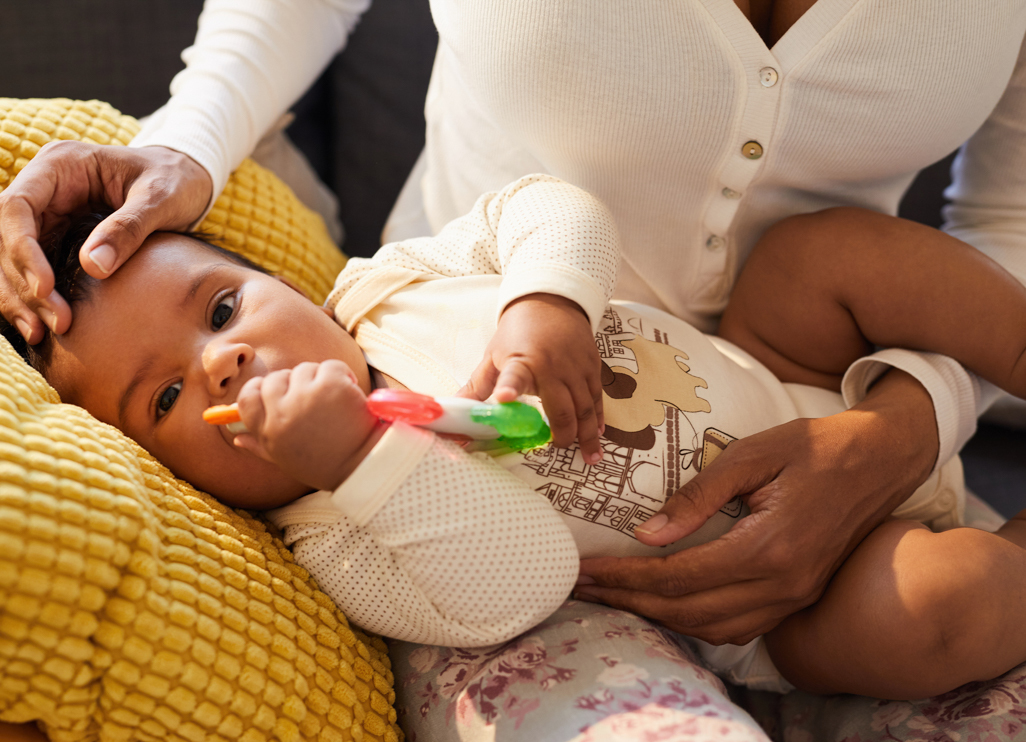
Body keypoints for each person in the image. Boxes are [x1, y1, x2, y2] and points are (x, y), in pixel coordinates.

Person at [7, 173, 1026, 703]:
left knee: (821, 254)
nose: (223, 360)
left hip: (780, 363)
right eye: (169, 395)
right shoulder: (335, 533)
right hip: (790, 591)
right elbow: (520, 580)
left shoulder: (386, 285)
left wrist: (548, 301)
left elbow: (542, 204)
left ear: (281, 281)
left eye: (223, 308)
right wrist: (356, 457)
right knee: (931, 612)